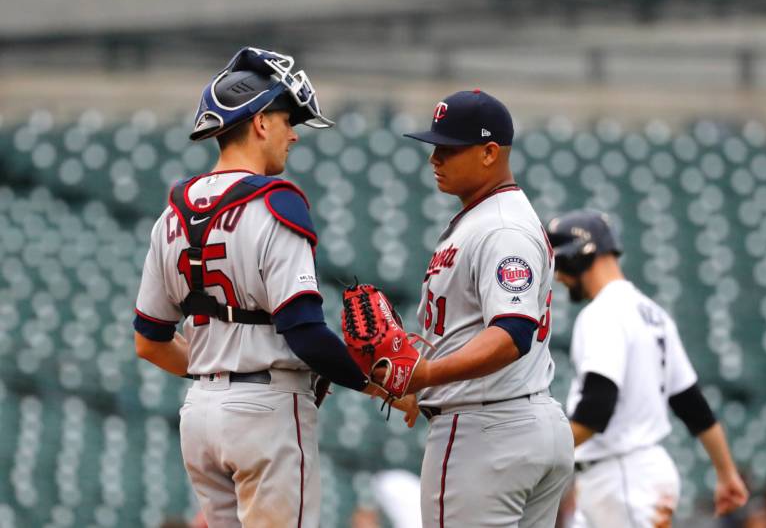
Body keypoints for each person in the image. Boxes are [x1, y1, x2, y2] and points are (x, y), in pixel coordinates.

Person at [133, 46, 379, 528]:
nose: (294, 135)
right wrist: (381, 386)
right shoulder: (277, 204)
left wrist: (218, 376)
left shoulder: (171, 214)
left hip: (200, 415)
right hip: (266, 413)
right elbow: (305, 333)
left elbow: (149, 342)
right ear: (261, 121)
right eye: (289, 120)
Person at [395, 89, 574, 527]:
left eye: (450, 148)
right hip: (521, 421)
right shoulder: (492, 217)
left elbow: (512, 334)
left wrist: (431, 375)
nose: (435, 158)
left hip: (485, 431)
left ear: (490, 152)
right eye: (434, 147)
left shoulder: (500, 227)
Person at [545, 209, 749, 527]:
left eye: (558, 264)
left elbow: (596, 409)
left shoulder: (602, 313)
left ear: (577, 257)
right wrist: (727, 473)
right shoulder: (653, 313)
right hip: (635, 474)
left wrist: (538, 454)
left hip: (622, 477)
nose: (557, 276)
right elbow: (692, 405)